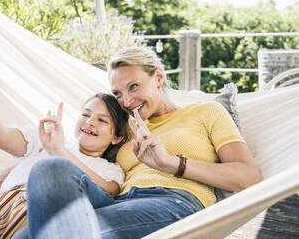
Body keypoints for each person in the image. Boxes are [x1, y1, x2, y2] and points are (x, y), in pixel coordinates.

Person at [14, 47, 262, 239]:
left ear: (158, 78)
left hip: (172, 202)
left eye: (134, 87)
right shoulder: (122, 128)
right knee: (50, 169)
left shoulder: (206, 112)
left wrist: (171, 164)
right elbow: (86, 160)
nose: (128, 101)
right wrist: (13, 170)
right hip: (116, 203)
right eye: (119, 94)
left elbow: (248, 176)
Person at [0, 62, 129, 238]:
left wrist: (60, 152)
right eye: (86, 114)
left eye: (102, 120)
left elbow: (107, 192)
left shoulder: (108, 169)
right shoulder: (45, 137)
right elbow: (2, 136)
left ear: (117, 137)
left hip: (38, 214)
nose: (90, 121)